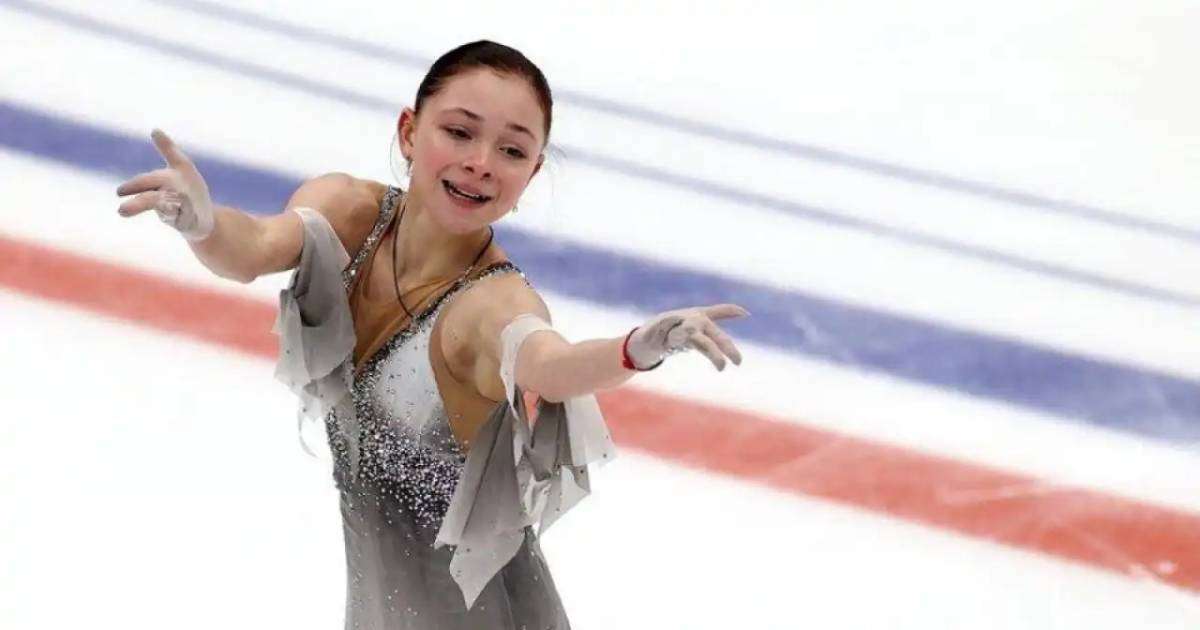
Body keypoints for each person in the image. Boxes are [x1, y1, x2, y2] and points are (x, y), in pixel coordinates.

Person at [115, 40, 748, 629]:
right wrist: (201, 224)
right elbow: (251, 247)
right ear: (409, 132)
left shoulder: (491, 304)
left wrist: (637, 349)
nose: (480, 163)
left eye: (512, 150)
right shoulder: (348, 214)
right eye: (460, 131)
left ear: (531, 175)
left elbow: (549, 367)